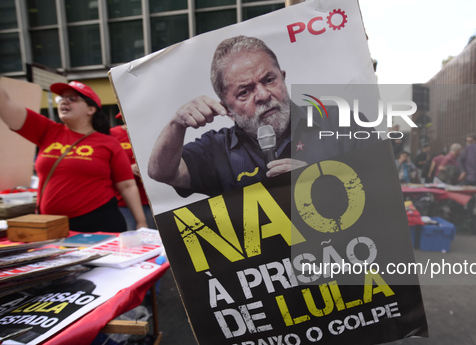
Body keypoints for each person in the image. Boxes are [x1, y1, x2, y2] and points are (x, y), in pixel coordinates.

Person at [148, 35, 373, 197]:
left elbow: (385, 192)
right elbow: (164, 173)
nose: (263, 95)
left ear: (282, 78)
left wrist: (322, 185)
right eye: (244, 92)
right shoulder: (217, 148)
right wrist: (176, 124)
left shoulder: (343, 123)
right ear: (226, 108)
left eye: (269, 80)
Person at [0, 81, 147, 233]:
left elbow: (127, 186)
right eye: (61, 98)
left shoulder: (109, 142)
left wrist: (141, 222)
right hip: (52, 226)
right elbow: (5, 104)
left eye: (72, 98)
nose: (64, 101)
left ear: (91, 109)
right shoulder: (47, 131)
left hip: (99, 224)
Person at [110, 113, 156, 230]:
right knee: (134, 241)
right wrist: (127, 169)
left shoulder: (154, 133)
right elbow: (103, 167)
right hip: (125, 203)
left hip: (155, 200)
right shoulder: (112, 134)